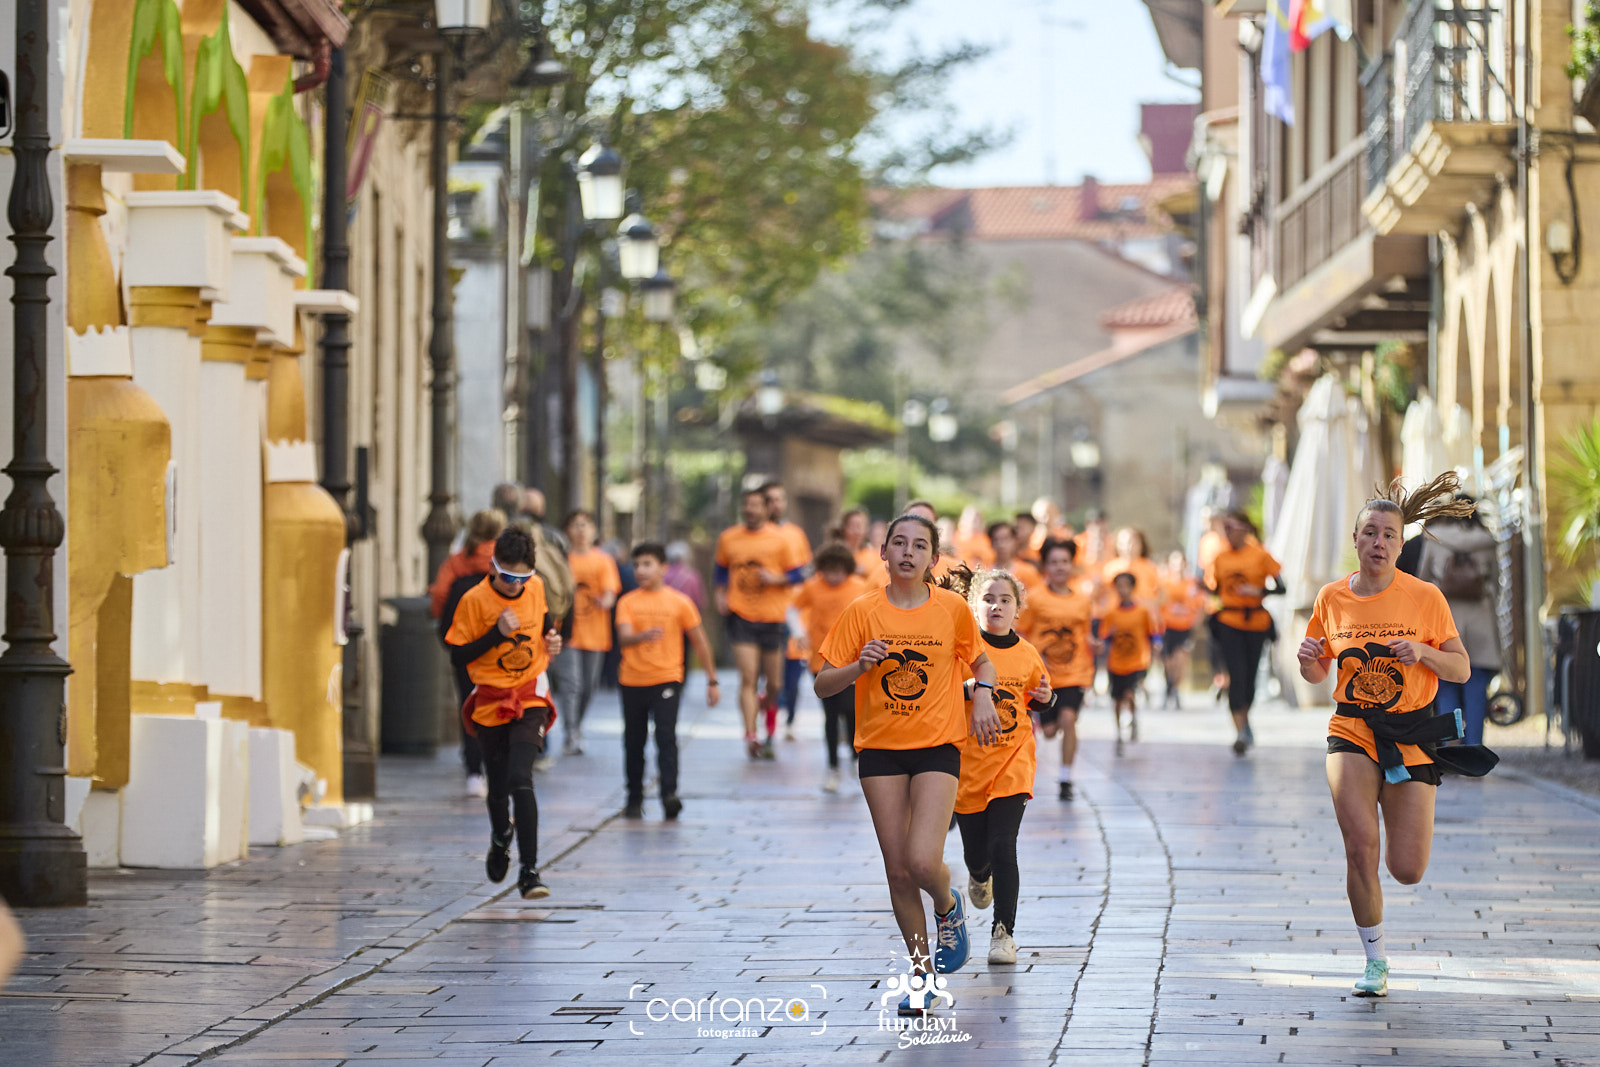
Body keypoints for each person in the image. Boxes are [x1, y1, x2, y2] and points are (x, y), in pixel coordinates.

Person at [1297, 474, 1493, 999]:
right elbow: (1319, 675)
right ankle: (1375, 959)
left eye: (1389, 535)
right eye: (1370, 533)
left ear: (1400, 545)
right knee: (1360, 848)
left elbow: (1461, 669)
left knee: (1406, 868)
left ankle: (1385, 917)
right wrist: (1310, 663)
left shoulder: (1425, 597)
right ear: (1356, 541)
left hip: (1411, 734)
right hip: (1352, 729)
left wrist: (1424, 652)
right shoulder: (1331, 597)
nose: (1379, 542)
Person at [815, 513, 1000, 1012]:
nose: (907, 552)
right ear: (883, 552)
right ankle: (922, 979)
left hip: (938, 745)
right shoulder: (862, 610)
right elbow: (823, 683)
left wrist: (983, 695)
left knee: (922, 860)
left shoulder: (951, 611)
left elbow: (982, 660)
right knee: (898, 872)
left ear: (931, 559)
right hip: (879, 750)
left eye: (919, 546)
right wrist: (860, 665)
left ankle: (949, 905)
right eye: (898, 543)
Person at [445, 526, 563, 900]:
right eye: (508, 576)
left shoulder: (538, 587)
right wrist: (496, 633)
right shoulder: (473, 599)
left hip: (530, 693)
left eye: (523, 578)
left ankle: (529, 871)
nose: (515, 585)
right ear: (494, 566)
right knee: (497, 790)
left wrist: (552, 639)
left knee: (519, 777)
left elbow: (543, 623)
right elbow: (458, 656)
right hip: (491, 698)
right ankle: (500, 838)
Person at [955, 569, 1050, 966]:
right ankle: (979, 876)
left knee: (1003, 844)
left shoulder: (1027, 653)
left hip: (1013, 761)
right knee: (977, 853)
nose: (996, 605)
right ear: (974, 607)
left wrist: (1046, 697)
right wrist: (971, 689)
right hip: (968, 767)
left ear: (1017, 609)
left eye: (1005, 599)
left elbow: (1040, 692)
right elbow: (946, 690)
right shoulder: (963, 651)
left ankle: (1004, 934)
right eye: (988, 598)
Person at [615, 543, 720, 820]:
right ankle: (634, 797)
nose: (640, 570)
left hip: (667, 679)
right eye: (637, 565)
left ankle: (669, 794)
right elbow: (624, 637)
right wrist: (642, 636)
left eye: (647, 564)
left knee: (666, 737)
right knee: (634, 740)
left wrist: (712, 681)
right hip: (632, 680)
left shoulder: (679, 602)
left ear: (663, 567)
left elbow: (700, 641)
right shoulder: (627, 602)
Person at [715, 488, 807, 759]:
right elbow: (720, 570)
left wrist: (776, 579)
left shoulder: (781, 539)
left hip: (773, 618)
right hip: (741, 615)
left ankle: (769, 728)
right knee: (748, 677)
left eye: (756, 505)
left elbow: (799, 574)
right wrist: (720, 595)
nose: (750, 509)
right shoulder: (729, 537)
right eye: (747, 504)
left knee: (775, 684)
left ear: (767, 509)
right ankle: (750, 733)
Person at [431, 508, 508, 797]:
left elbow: (439, 595)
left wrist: (445, 626)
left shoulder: (456, 561)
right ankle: (498, 762)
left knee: (469, 703)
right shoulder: (504, 562)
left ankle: (474, 771)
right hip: (500, 643)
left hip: (464, 642)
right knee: (500, 700)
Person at [1415, 499, 1500, 746]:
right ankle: (1473, 750)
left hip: (1444, 622)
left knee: (1445, 686)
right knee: (1476, 691)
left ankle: (1450, 748)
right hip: (1481, 624)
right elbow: (1496, 581)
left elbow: (1423, 581)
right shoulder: (1487, 542)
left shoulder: (1435, 538)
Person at [1017, 539, 1097, 801]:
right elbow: (1021, 632)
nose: (1060, 567)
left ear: (1072, 565)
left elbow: (1084, 633)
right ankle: (1045, 723)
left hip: (1076, 672)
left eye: (1064, 561)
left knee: (1069, 719)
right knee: (1050, 732)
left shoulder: (1083, 600)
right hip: (1042, 676)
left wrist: (1093, 645)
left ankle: (1065, 778)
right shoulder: (1035, 599)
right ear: (1045, 566)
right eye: (1054, 562)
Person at [789, 542, 870, 792]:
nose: (834, 576)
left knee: (851, 710)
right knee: (831, 714)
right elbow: (791, 609)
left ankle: (856, 759)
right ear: (821, 569)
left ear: (847, 569)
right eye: (829, 571)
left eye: (839, 571)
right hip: (820, 659)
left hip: (854, 662)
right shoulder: (812, 587)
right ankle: (833, 766)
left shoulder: (859, 587)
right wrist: (798, 632)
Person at [1205, 512, 1283, 755]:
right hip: (1229, 621)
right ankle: (1239, 730)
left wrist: (1257, 589)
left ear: (1245, 529)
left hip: (1256, 622)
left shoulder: (1260, 555)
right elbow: (1214, 589)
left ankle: (1245, 719)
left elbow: (1282, 587)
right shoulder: (1219, 558)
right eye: (1226, 528)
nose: (1229, 533)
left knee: (1249, 678)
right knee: (1235, 674)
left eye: (1233, 527)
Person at [556, 510, 620, 756]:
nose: (581, 530)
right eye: (575, 525)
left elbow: (610, 592)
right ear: (567, 531)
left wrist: (605, 600)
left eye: (586, 525)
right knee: (571, 683)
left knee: (588, 687)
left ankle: (576, 726)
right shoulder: (562, 560)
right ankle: (571, 732)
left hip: (595, 631)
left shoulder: (603, 560)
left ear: (594, 531)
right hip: (568, 631)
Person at [764, 482, 814, 743]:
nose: (776, 505)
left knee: (793, 671)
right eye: (770, 500)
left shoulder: (795, 533)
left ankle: (790, 720)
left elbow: (805, 570)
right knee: (771, 677)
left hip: (792, 613)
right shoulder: (754, 536)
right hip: (763, 615)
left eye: (780, 499)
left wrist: (779, 579)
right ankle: (769, 724)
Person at [1102, 572, 1161, 751]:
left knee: (1130, 693)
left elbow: (1153, 633)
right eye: (1119, 586)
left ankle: (1133, 719)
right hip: (1116, 662)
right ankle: (1119, 730)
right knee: (1118, 699)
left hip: (1137, 661)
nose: (1122, 590)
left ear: (1132, 587)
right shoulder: (1111, 613)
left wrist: (1157, 645)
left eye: (1126, 585)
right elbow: (1104, 638)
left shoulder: (1142, 612)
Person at [1158, 550, 1206, 710]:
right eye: (1175, 563)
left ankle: (1175, 688)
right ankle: (1169, 686)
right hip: (1166, 627)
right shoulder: (1163, 583)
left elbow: (1200, 606)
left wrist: (1195, 625)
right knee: (1168, 662)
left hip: (1185, 627)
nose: (1178, 567)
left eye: (1181, 563)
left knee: (1180, 660)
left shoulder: (1192, 584)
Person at [987, 520, 1043, 592]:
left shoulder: (1029, 572)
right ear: (991, 543)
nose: (1001, 544)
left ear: (1014, 541)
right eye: (996, 540)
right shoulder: (985, 572)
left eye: (1005, 539)